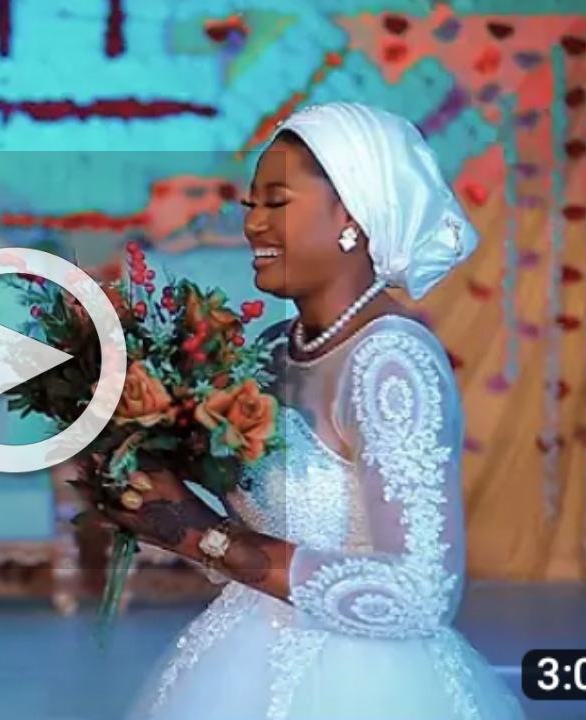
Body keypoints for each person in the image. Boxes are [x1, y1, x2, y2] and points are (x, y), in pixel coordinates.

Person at [85, 102, 527, 719]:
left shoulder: (391, 363)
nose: (253, 224)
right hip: (241, 657)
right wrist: (147, 465)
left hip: (368, 686)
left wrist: (207, 538)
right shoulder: (273, 350)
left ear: (352, 213)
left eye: (277, 202)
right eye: (251, 205)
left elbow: (422, 593)